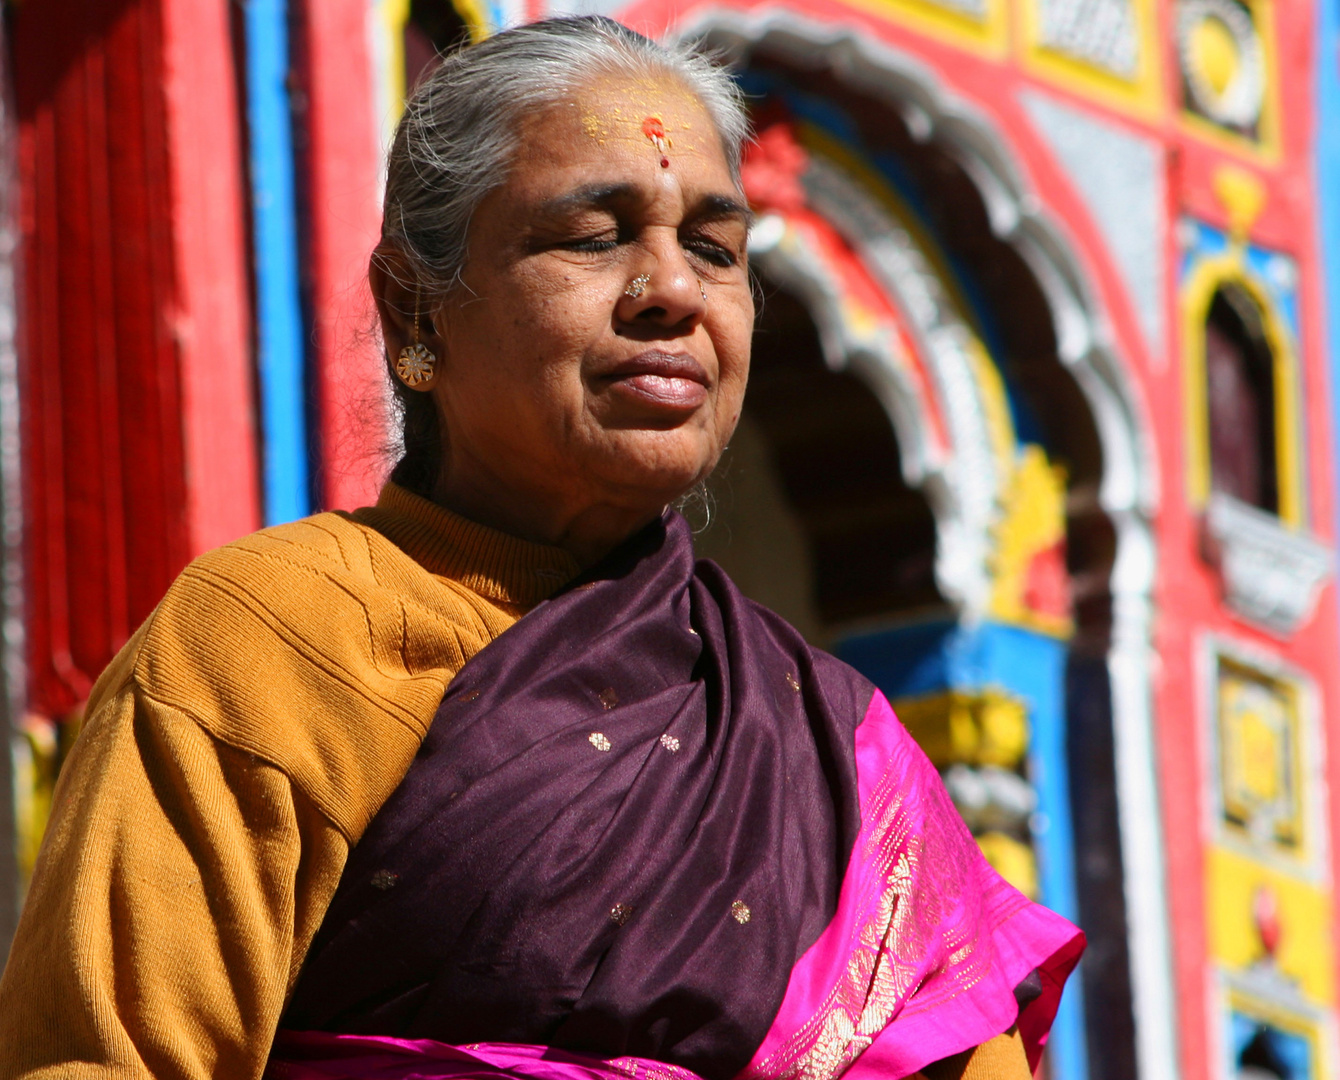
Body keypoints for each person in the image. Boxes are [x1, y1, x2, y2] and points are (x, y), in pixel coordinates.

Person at [0, 17, 1082, 1080]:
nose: (672, 293)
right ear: (416, 310)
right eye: (594, 236)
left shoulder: (831, 749)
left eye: (713, 247)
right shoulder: (271, 645)